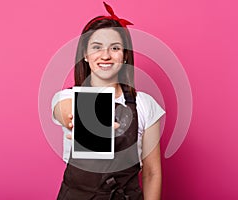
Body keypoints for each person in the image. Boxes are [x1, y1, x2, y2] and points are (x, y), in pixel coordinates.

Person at [52, 2, 165, 199]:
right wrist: (78, 120)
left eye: (115, 48)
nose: (105, 55)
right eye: (97, 47)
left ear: (124, 56)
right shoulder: (68, 98)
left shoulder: (145, 104)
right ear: (85, 55)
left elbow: (152, 172)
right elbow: (64, 111)